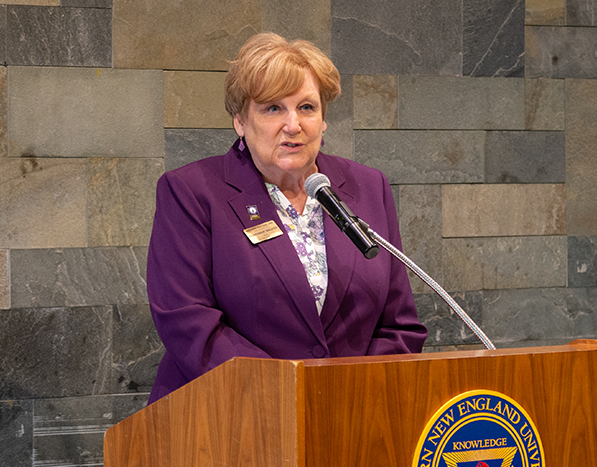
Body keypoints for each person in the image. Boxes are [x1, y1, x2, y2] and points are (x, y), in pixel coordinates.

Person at [146, 32, 427, 403]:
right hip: (226, 420)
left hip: (350, 419)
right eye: (272, 108)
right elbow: (188, 323)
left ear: (324, 120)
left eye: (307, 108)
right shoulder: (192, 191)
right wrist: (289, 395)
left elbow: (399, 325)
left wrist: (357, 396)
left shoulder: (367, 186)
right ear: (240, 122)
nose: (293, 125)